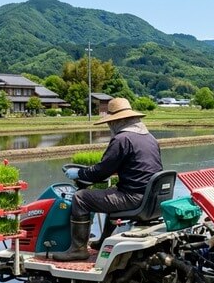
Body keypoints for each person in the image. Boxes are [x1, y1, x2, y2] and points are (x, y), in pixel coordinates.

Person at [51, 97, 163, 261]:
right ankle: (104, 240)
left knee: (81, 198)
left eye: (111, 122)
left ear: (120, 121)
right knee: (111, 193)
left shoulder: (122, 139)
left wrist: (79, 174)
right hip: (151, 198)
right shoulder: (150, 138)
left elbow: (101, 172)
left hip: (133, 198)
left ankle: (78, 249)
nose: (110, 125)